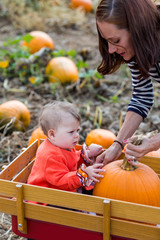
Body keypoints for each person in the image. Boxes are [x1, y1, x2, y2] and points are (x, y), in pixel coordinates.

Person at [95, 0, 160, 165]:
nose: (110, 50)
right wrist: (117, 145)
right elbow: (142, 96)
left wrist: (153, 143)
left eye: (116, 40)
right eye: (106, 41)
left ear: (137, 29)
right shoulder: (139, 48)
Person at [27, 101, 105, 193]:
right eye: (71, 132)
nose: (77, 135)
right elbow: (62, 180)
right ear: (52, 134)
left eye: (77, 130)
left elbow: (71, 160)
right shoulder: (50, 156)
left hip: (62, 190)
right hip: (46, 196)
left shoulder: (64, 145)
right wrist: (84, 174)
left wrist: (87, 154)